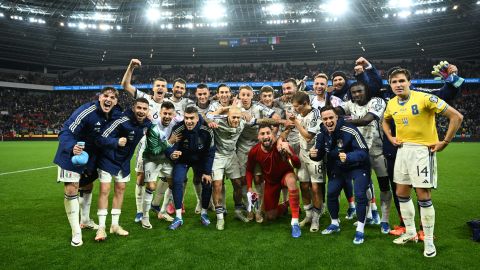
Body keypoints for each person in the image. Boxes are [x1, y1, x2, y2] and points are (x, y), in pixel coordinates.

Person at [382, 68, 463, 257]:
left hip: (422, 151)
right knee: (401, 193)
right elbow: (384, 121)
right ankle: (410, 232)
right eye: (394, 82)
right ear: (390, 85)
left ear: (409, 82)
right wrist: (391, 137)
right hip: (402, 151)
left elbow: (456, 117)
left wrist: (445, 142)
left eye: (402, 81)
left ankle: (428, 241)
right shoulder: (392, 103)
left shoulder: (425, 98)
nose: (398, 85)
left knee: (423, 196)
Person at [53, 86, 122, 247]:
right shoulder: (87, 111)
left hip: (90, 157)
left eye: (112, 97)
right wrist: (72, 147)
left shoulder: (114, 113)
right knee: (71, 189)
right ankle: (76, 231)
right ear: (99, 97)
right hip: (70, 153)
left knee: (87, 185)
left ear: (116, 101)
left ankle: (85, 219)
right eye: (106, 96)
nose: (108, 99)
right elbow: (65, 131)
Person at [309, 105, 371, 244]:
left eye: (331, 117)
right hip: (337, 168)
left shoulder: (350, 129)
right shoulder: (321, 133)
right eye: (325, 119)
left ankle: (360, 229)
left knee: (360, 195)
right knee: (331, 193)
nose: (328, 121)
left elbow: (363, 151)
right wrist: (313, 155)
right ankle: (335, 223)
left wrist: (348, 157)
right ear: (322, 120)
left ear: (337, 117)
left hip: (358, 166)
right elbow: (318, 154)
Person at [94, 98, 152, 241]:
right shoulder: (121, 120)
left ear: (148, 111)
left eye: (145, 109)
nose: (141, 111)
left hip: (124, 162)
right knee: (105, 190)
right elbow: (100, 138)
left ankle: (114, 225)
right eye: (139, 108)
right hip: (108, 159)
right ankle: (101, 228)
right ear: (133, 108)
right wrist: (116, 142)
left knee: (120, 190)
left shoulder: (147, 124)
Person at [121, 58, 167, 223]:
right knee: (141, 178)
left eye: (163, 86)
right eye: (158, 85)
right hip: (145, 146)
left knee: (169, 178)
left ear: (166, 90)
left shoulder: (169, 105)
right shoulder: (145, 99)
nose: (160, 88)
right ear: (153, 88)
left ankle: (158, 205)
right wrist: (131, 67)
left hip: (163, 148)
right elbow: (125, 85)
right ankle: (140, 211)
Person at [341, 82, 392, 233]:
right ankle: (368, 215)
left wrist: (343, 121)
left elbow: (366, 120)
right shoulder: (350, 104)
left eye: (359, 91)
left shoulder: (377, 101)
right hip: (360, 152)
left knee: (384, 185)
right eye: (353, 92)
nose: (356, 94)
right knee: (364, 186)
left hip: (378, 151)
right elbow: (336, 109)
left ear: (366, 91)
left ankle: (385, 220)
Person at [246, 124, 302, 238]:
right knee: (270, 216)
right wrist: (249, 187)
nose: (266, 136)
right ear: (258, 137)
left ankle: (295, 222)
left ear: (273, 135)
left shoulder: (281, 145)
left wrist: (290, 152)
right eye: (262, 134)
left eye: (268, 133)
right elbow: (249, 170)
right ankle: (286, 204)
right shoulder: (254, 151)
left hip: (285, 175)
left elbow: (298, 164)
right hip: (271, 182)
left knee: (291, 181)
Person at [165, 106, 216, 230]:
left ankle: (204, 213)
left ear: (197, 118)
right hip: (182, 160)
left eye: (191, 118)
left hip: (200, 160)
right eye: (186, 118)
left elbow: (210, 152)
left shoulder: (207, 130)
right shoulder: (178, 128)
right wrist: (172, 153)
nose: (188, 121)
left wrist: (207, 172)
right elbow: (170, 146)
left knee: (207, 181)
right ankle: (178, 217)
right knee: (177, 182)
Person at [282, 91, 325, 233]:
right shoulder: (300, 114)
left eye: (297, 107)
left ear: (306, 104)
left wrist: (295, 122)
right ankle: (308, 215)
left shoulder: (316, 114)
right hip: (302, 155)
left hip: (315, 156)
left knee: (315, 188)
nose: (295, 109)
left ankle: (316, 218)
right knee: (304, 186)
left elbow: (308, 137)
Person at [140, 101, 183, 229]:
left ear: (173, 114)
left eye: (170, 114)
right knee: (151, 186)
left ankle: (162, 211)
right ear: (160, 113)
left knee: (173, 183)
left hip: (165, 158)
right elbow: (154, 151)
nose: (167, 116)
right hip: (151, 158)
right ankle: (145, 217)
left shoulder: (176, 121)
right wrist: (170, 142)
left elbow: (191, 117)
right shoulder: (153, 126)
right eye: (164, 113)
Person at [210, 107, 246, 230]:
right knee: (217, 185)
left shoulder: (243, 122)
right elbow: (206, 116)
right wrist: (224, 109)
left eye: (238, 117)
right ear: (227, 116)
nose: (236, 120)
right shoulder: (218, 122)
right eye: (233, 117)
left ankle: (238, 211)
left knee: (238, 184)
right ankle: (220, 217)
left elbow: (261, 121)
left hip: (232, 156)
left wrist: (283, 122)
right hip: (218, 157)